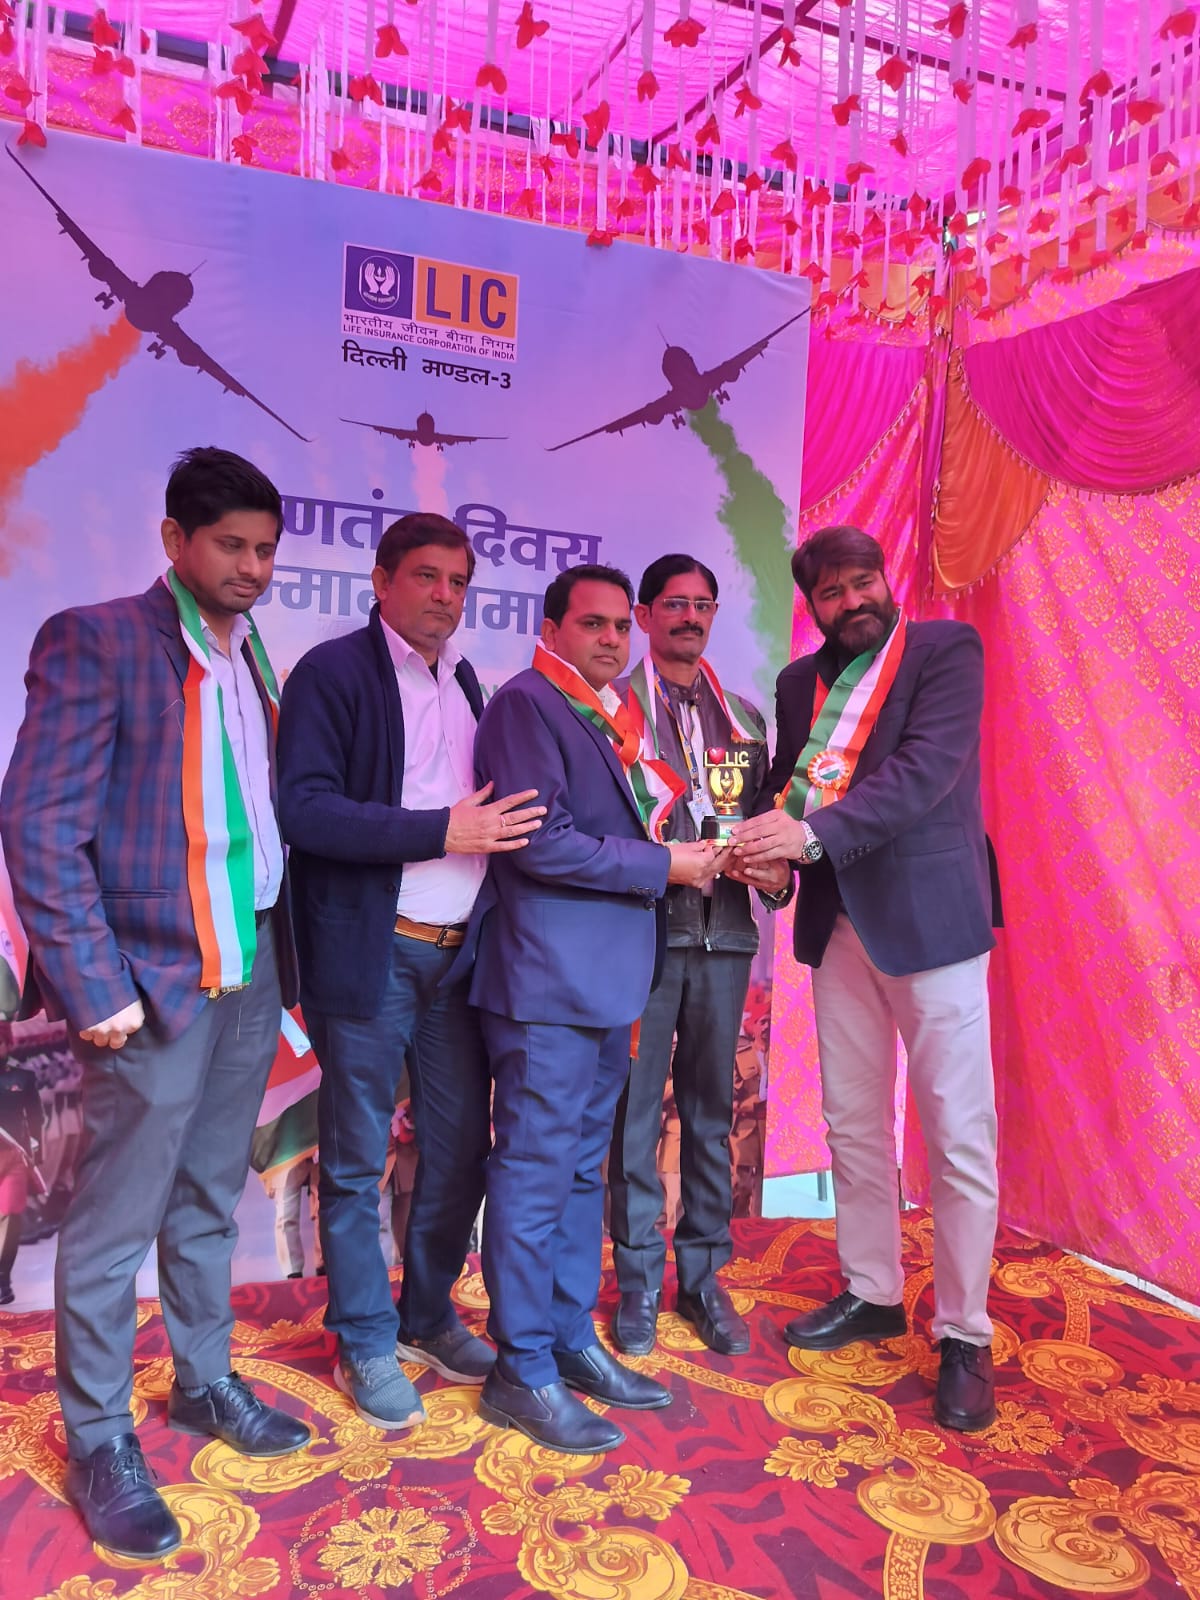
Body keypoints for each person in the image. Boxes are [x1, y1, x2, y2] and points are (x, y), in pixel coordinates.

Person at [0, 447, 312, 1561]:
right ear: (174, 539)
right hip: (146, 981)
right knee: (115, 1218)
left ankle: (203, 1379)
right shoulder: (100, 639)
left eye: (265, 549)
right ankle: (97, 1438)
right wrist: (96, 988)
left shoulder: (251, 654)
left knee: (209, 1193)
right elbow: (40, 827)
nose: (251, 567)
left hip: (247, 969)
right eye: (230, 545)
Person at [729, 525, 1000, 1433]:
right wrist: (756, 845)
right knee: (851, 1122)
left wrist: (806, 837)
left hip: (932, 924)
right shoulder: (798, 683)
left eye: (862, 582)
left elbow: (925, 775)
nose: (852, 602)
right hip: (837, 921)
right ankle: (873, 1290)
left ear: (887, 580)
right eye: (832, 592)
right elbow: (788, 785)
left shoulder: (945, 652)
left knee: (957, 1134)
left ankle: (963, 1333)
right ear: (812, 606)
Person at [277, 512, 542, 1432]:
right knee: (357, 1163)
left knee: (460, 1150)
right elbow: (305, 812)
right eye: (427, 576)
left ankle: (426, 1316)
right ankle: (362, 1338)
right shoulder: (332, 672)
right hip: (372, 952)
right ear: (381, 581)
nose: (445, 595)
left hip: (458, 958)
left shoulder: (464, 678)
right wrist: (442, 830)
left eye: (459, 581)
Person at [461, 562, 721, 1456]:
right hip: (545, 985)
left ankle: (569, 1339)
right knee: (536, 1174)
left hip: (606, 983)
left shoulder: (608, 716)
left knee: (579, 1173)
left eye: (618, 625)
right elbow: (542, 844)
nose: (611, 638)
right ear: (552, 630)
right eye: (592, 624)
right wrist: (666, 866)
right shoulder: (526, 705)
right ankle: (520, 1366)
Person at [608, 555, 780, 1359]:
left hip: (726, 939)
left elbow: (770, 827)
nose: (690, 617)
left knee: (713, 1116)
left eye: (703, 605)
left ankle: (704, 1280)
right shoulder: (613, 711)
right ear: (644, 617)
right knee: (634, 1117)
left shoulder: (744, 719)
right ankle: (638, 1282)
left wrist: (773, 871)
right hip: (642, 940)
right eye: (674, 604)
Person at [0, 1057, 43, 1304]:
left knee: (9, 1215)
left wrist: (38, 1152)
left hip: (14, 1157)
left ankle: (2, 1279)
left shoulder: (22, 1078)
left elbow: (36, 1117)